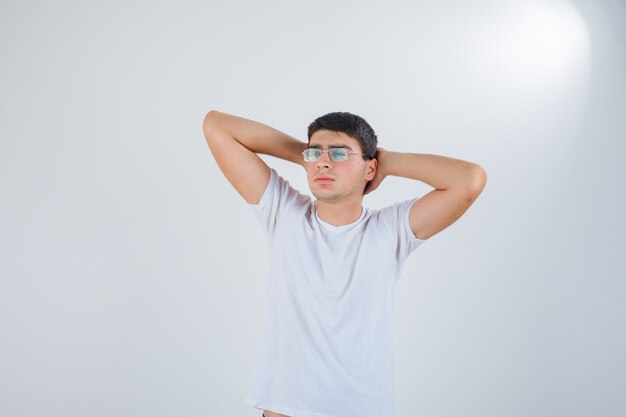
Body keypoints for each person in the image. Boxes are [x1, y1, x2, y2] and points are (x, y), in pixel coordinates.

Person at [202, 110, 487, 417]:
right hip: (286, 409)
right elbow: (216, 126)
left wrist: (387, 162)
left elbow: (469, 180)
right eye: (316, 152)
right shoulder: (284, 213)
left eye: (339, 153)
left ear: (369, 168)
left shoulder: (390, 229)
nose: (324, 162)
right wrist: (304, 156)